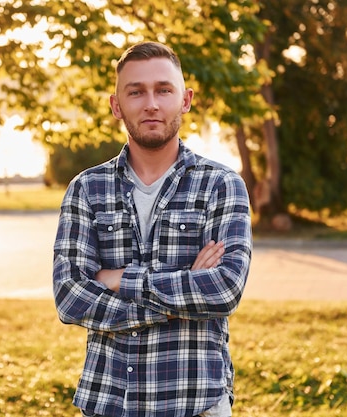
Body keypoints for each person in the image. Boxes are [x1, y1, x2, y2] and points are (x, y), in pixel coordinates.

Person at [52, 41, 252, 417]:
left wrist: (119, 279)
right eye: (136, 92)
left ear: (186, 99)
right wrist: (180, 298)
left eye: (164, 89)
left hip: (197, 404)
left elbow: (224, 289)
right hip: (109, 402)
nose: (151, 103)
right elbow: (69, 297)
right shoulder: (86, 189)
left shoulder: (221, 185)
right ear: (116, 105)